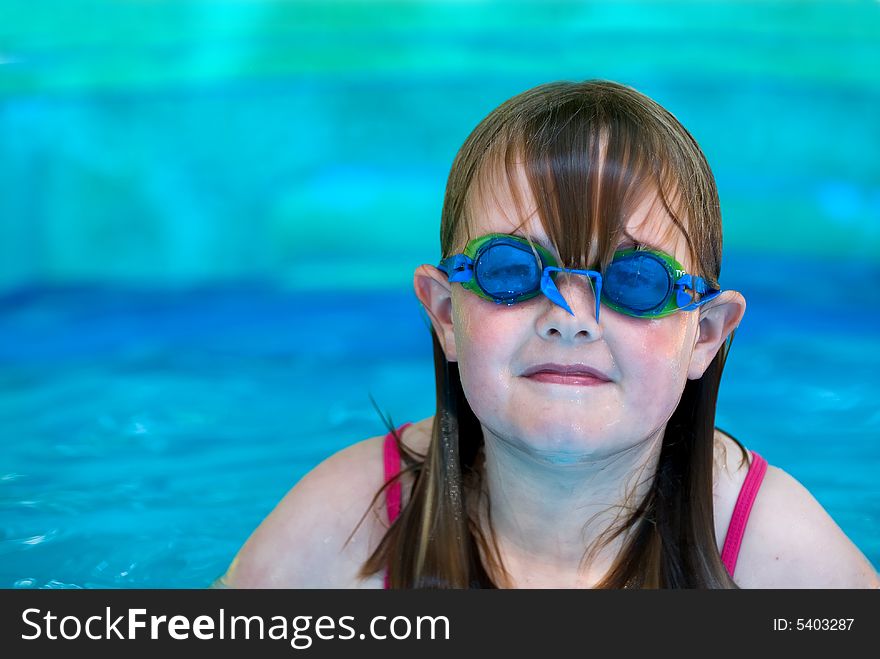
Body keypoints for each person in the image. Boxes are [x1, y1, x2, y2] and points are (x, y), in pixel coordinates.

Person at [217, 80, 879, 588]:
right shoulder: (344, 528)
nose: (570, 316)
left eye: (636, 280)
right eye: (511, 271)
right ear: (447, 314)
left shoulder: (774, 551)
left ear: (704, 334)